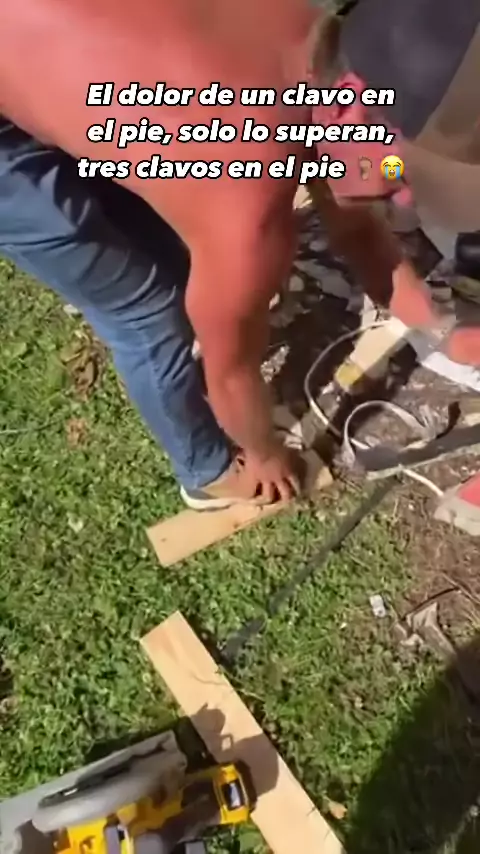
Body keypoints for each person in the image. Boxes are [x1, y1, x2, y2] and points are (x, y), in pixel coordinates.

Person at [0, 0, 476, 510]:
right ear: (347, 111)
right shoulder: (244, 210)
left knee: (170, 231)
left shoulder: (322, 50)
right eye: (404, 174)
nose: (404, 198)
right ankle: (205, 471)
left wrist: (441, 329)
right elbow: (232, 373)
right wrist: (264, 451)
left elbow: (355, 221)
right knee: (147, 309)